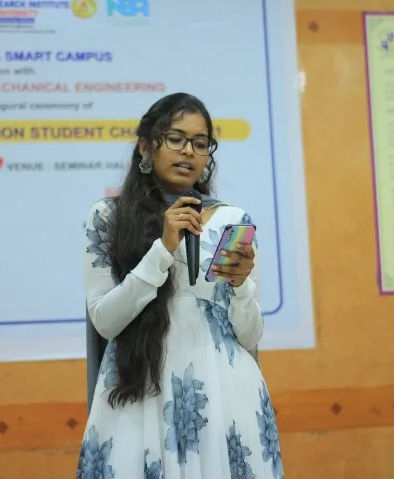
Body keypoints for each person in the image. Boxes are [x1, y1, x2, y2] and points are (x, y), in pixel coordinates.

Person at [78, 92, 284, 478]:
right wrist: (162, 249)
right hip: (142, 395)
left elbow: (250, 335)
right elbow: (105, 322)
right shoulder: (108, 217)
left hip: (225, 397)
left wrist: (240, 286)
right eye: (175, 138)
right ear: (145, 146)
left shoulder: (231, 220)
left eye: (200, 143)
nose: (188, 151)